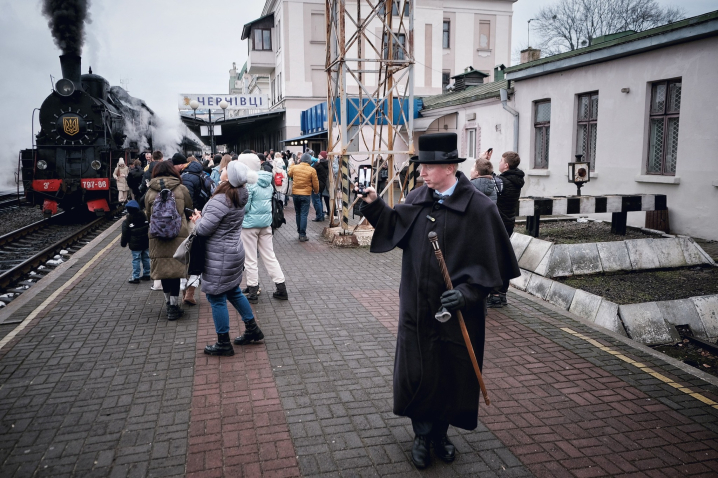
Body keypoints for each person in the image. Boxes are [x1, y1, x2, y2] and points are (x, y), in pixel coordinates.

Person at [356, 133, 520, 470]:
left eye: (426, 166)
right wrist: (374, 205)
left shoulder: (480, 208)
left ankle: (441, 434)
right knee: (418, 372)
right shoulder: (418, 197)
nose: (420, 173)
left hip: (458, 314)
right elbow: (395, 228)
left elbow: (494, 267)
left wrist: (467, 293)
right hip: (416, 309)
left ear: (448, 167)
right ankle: (421, 434)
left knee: (451, 374)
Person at [192, 161, 264, 356]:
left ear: (228, 177)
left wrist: (198, 220)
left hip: (219, 255)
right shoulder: (240, 195)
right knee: (233, 291)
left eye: (225, 169)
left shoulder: (221, 199)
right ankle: (252, 329)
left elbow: (204, 229)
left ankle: (223, 343)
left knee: (216, 298)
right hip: (233, 252)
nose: (222, 170)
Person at [144, 161, 193, 321]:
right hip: (178, 235)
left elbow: (148, 215)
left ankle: (168, 305)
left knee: (164, 273)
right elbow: (189, 207)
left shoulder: (150, 191)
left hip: (157, 237)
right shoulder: (181, 188)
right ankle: (174, 305)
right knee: (175, 272)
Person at [237, 153, 289, 303]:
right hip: (266, 224)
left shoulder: (249, 183)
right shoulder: (267, 180)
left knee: (250, 259)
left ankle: (253, 290)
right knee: (270, 256)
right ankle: (281, 288)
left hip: (249, 226)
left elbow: (245, 208)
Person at [489, 151, 524, 308]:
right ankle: (501, 293)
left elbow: (486, 182)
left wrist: (484, 162)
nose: (499, 162)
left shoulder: (503, 182)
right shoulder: (515, 180)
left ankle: (496, 294)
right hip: (508, 222)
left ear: (506, 165)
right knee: (502, 255)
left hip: (499, 223)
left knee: (496, 258)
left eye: (501, 160)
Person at [288, 153, 319, 242]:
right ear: (309, 161)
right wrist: (316, 191)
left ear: (300, 160)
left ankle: (299, 231)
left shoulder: (295, 167)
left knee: (298, 213)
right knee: (304, 214)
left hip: (295, 194)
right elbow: (315, 183)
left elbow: (289, 174)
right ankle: (302, 234)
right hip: (306, 194)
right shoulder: (312, 170)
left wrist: (292, 165)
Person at [120, 200, 151, 283]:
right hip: (145, 242)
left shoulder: (127, 221)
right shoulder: (145, 218)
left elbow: (125, 234)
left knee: (136, 260)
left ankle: (135, 277)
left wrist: (123, 243)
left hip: (135, 245)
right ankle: (147, 274)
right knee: (146, 258)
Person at [312, 151, 329, 222]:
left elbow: (312, 169)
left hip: (317, 183)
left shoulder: (319, 164)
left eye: (319, 154)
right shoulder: (327, 164)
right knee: (319, 200)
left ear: (322, 156)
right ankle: (321, 214)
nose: (318, 155)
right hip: (323, 184)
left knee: (316, 200)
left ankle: (319, 216)